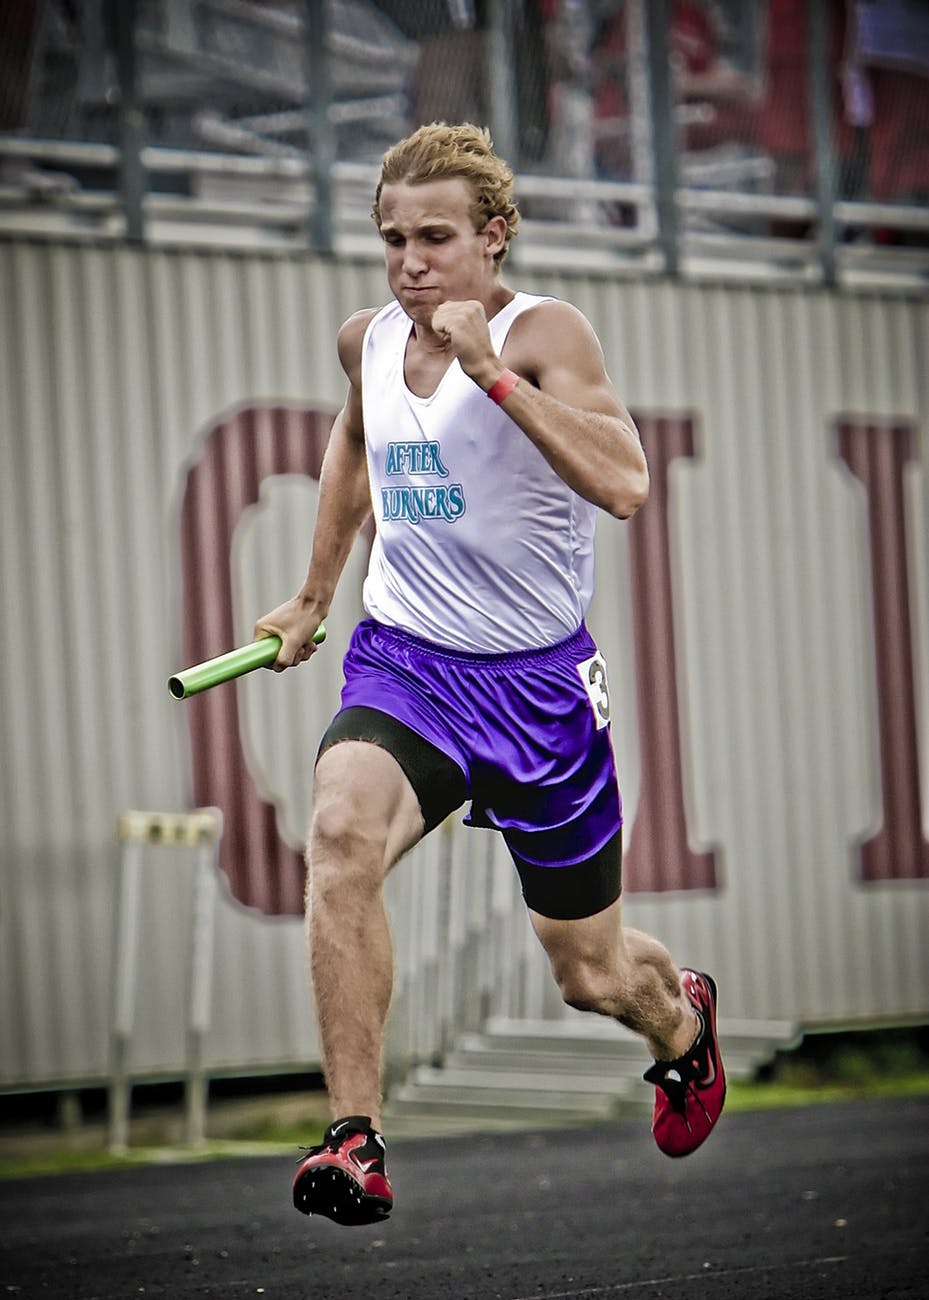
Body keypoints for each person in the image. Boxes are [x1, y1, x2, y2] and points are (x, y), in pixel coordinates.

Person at [253, 121, 725, 1228]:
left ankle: (681, 1026)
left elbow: (623, 483)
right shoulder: (366, 339)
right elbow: (357, 449)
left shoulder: (543, 332)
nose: (410, 263)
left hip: (538, 691)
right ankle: (353, 1138)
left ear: (493, 238)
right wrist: (315, 596)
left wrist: (487, 372)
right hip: (408, 662)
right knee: (339, 831)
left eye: (434, 237)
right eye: (391, 240)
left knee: (590, 971)